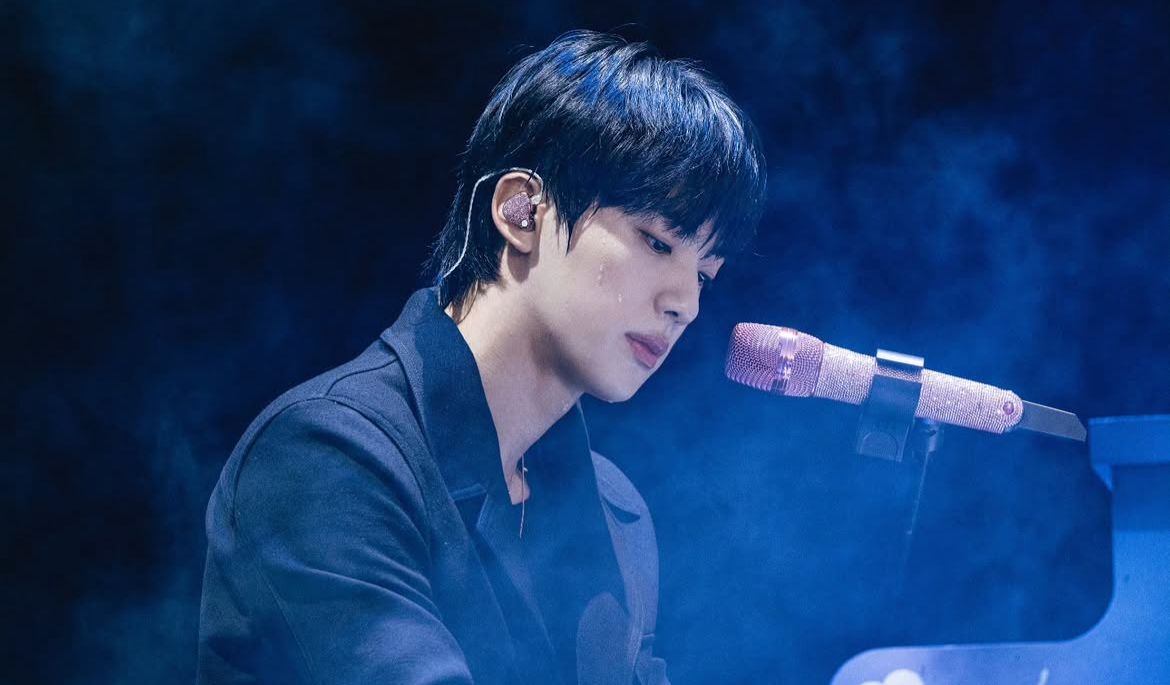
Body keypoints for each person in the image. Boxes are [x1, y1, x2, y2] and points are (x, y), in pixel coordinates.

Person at [197, 30, 767, 685]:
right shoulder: (329, 457)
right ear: (521, 212)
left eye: (706, 275)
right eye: (658, 242)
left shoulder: (617, 510)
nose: (684, 304)